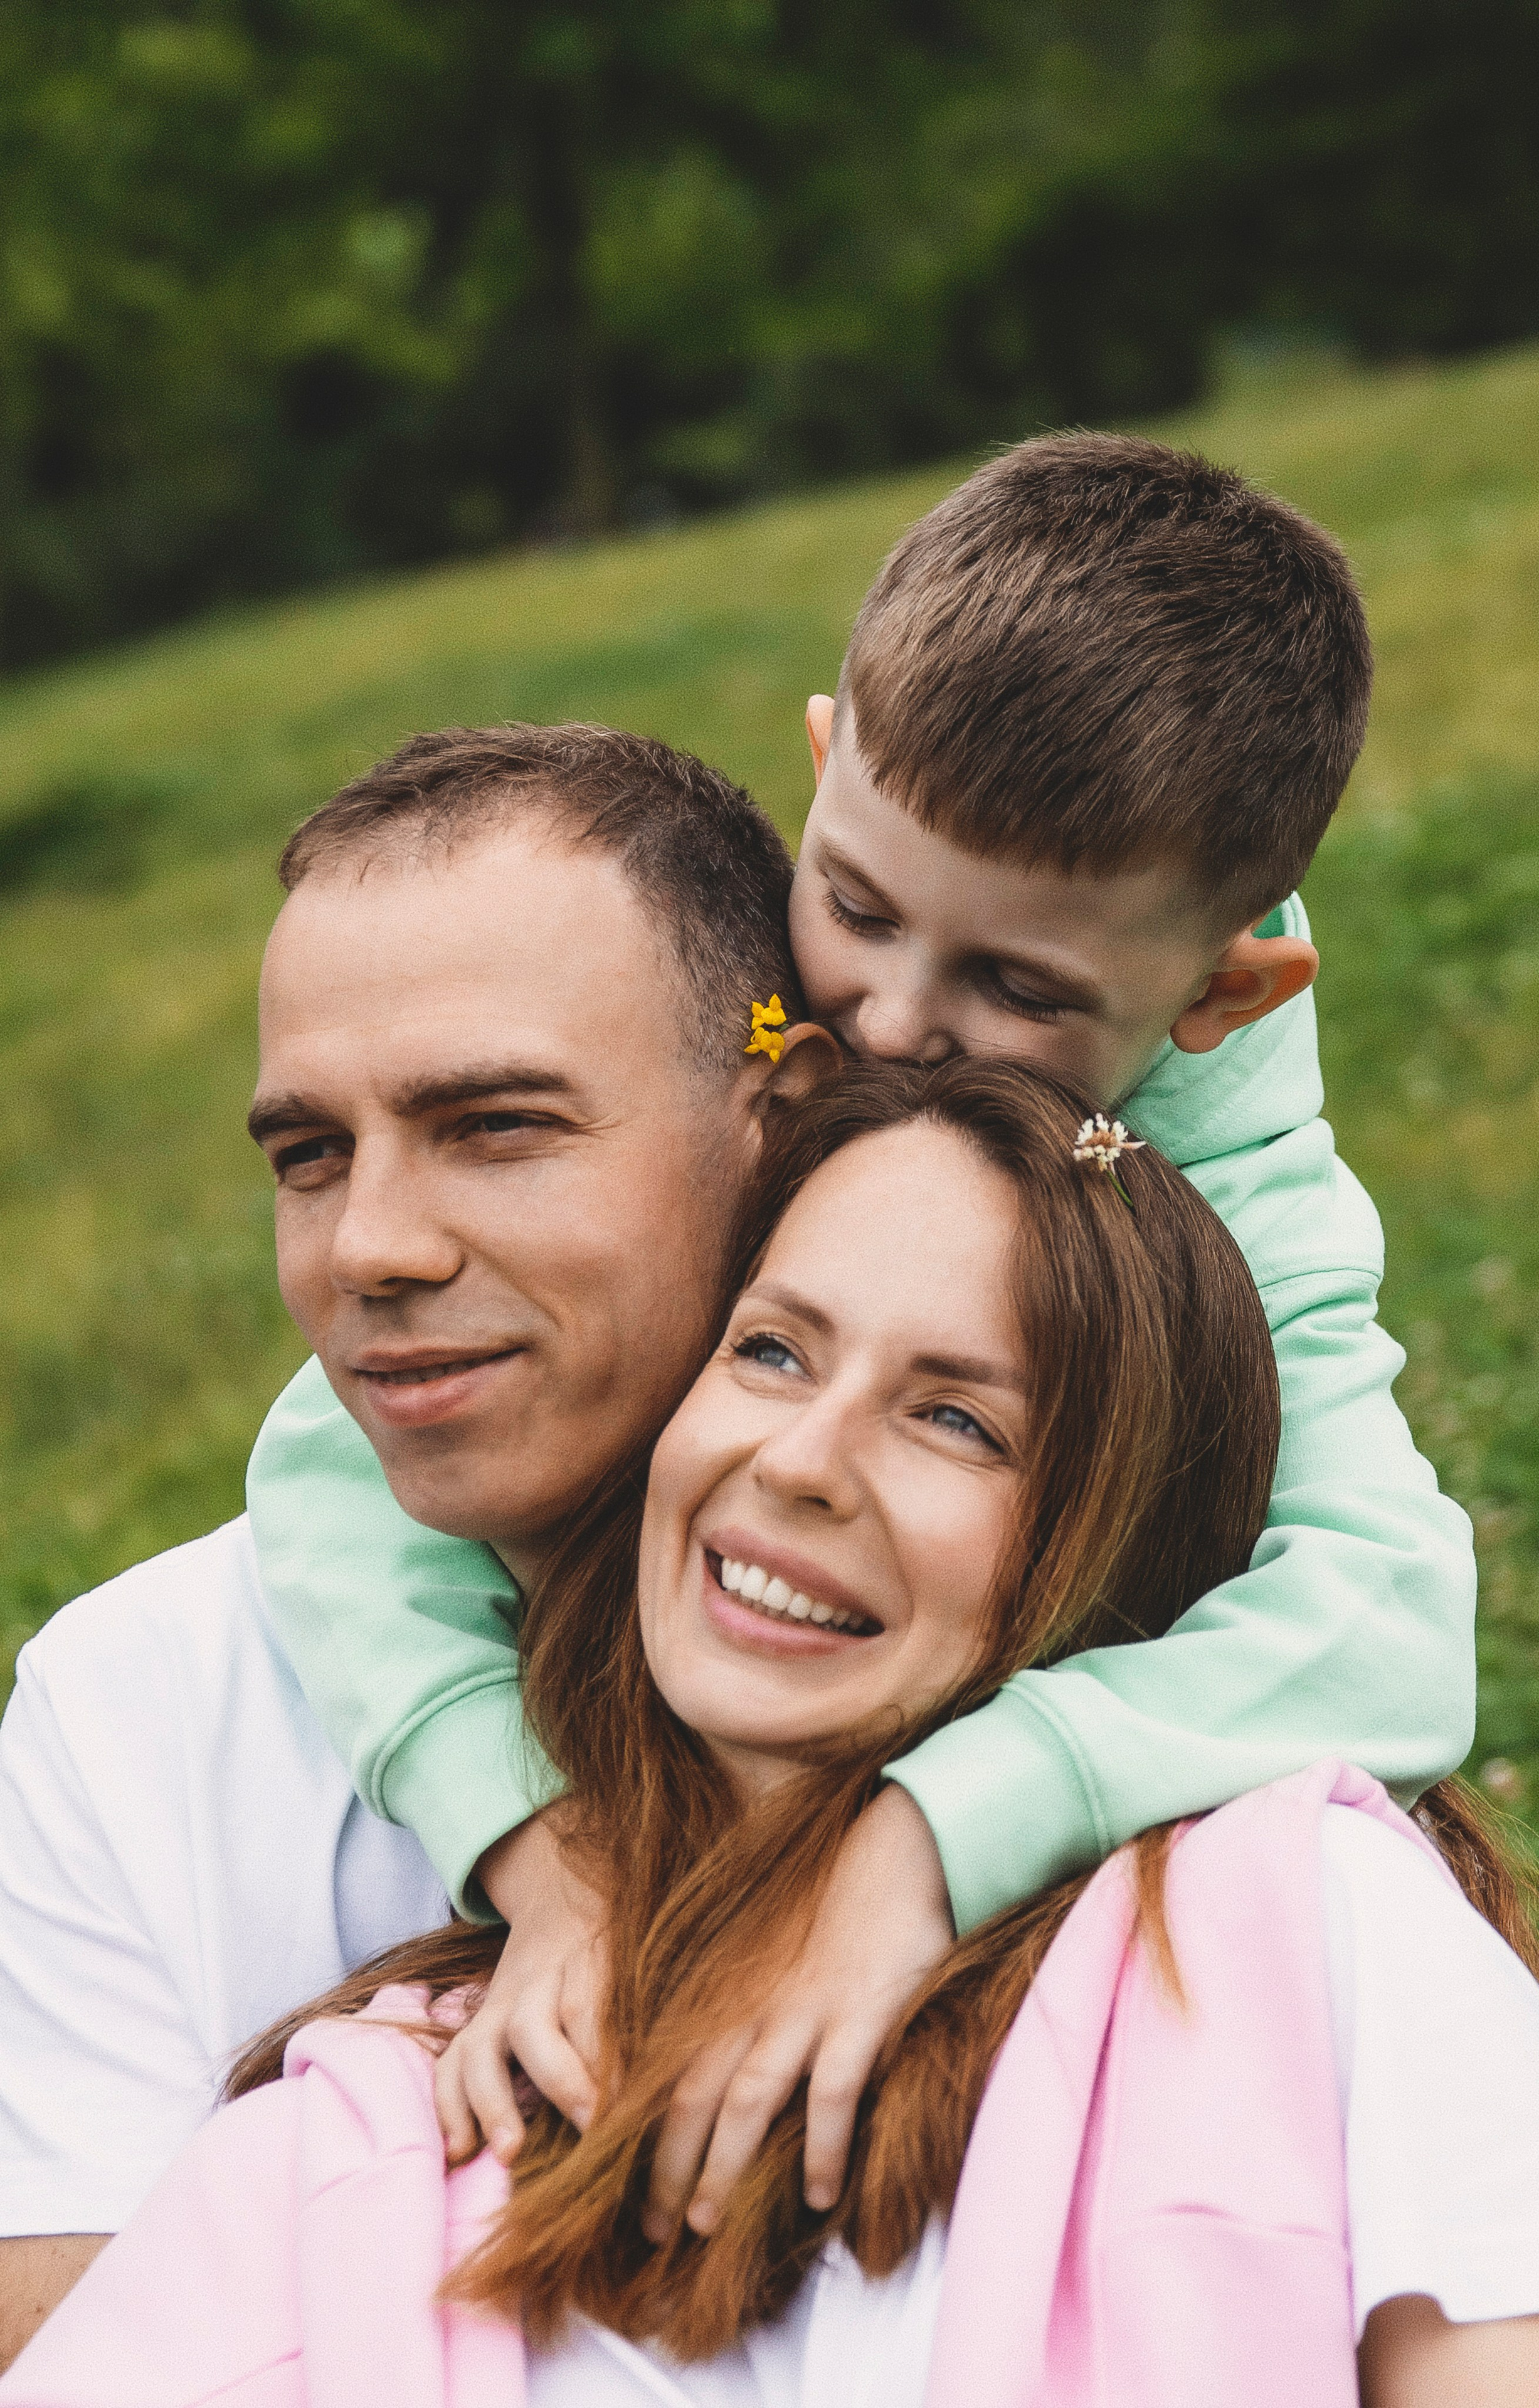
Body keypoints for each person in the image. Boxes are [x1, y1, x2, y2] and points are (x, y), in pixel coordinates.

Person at [239, 433, 1476, 2221]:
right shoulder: (782, 1028)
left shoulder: (1245, 1188)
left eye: (1019, 990)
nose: (891, 1027)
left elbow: (1394, 1620)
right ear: (828, 766)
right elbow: (330, 1448)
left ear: (1221, 990)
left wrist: (928, 1838)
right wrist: (542, 1844)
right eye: (860, 908)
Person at [5, 1062, 1539, 2408]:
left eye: (956, 1418)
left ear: (1110, 1555)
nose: (801, 1461)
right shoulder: (363, 2138)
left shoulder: (1292, 1935)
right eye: (769, 1351)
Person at [0, 729, 838, 2367]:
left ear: (780, 1122)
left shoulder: (1008, 1616)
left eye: (496, 1125)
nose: (368, 1248)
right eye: (310, 1154)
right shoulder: (134, 1708)